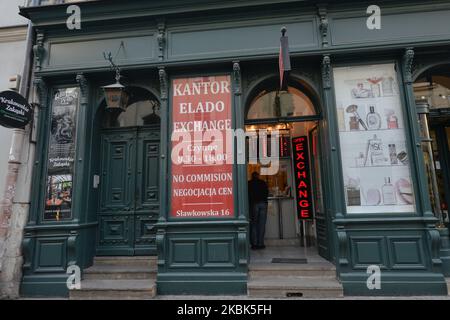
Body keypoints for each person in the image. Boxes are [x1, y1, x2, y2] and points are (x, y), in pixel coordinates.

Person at [248, 171, 269, 250]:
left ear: (252, 176)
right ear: (258, 176)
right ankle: (261, 243)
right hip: (263, 204)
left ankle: (254, 244)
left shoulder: (249, 183)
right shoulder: (263, 183)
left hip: (254, 205)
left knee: (254, 224)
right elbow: (267, 192)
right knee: (262, 224)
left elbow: (248, 195)